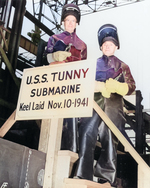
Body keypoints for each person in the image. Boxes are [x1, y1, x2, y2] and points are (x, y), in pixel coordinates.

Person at [75, 24, 136, 187]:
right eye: (105, 44)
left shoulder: (123, 66)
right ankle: (82, 173)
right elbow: (81, 81)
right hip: (94, 104)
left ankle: (107, 178)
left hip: (114, 107)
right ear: (101, 47)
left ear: (116, 46)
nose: (108, 46)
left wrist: (119, 87)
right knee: (86, 132)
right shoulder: (92, 65)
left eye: (111, 44)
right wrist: (94, 85)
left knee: (110, 139)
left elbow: (131, 86)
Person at [45, 3, 87, 152]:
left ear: (77, 23)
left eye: (73, 20)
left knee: (73, 122)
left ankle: (71, 153)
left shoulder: (82, 45)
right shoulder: (54, 39)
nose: (70, 23)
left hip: (73, 89)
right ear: (63, 21)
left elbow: (84, 71)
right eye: (67, 20)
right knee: (53, 121)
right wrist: (53, 56)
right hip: (55, 86)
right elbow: (46, 60)